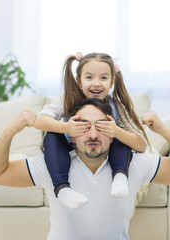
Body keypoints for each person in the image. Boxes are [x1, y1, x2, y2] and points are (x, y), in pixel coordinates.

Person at [0, 98, 170, 240]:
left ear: (113, 132)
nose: (93, 135)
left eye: (101, 127)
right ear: (70, 133)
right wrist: (12, 129)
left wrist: (164, 131)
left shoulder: (134, 163)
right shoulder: (52, 165)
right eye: (84, 127)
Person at [33, 52, 150, 210]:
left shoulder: (117, 105)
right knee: (52, 135)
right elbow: (39, 120)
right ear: (79, 81)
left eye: (103, 78)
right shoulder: (67, 99)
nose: (96, 84)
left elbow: (141, 145)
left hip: (103, 148)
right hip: (70, 146)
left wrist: (116, 131)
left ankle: (120, 176)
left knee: (121, 134)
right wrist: (65, 127)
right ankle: (62, 190)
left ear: (112, 81)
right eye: (89, 78)